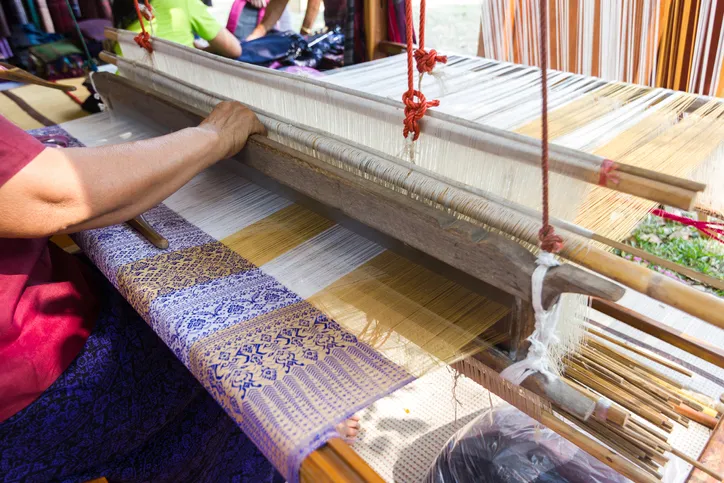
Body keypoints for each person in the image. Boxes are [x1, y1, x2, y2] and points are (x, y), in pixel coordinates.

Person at [0, 102, 359, 481]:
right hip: (31, 401)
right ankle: (290, 434)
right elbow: (56, 194)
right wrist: (214, 136)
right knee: (223, 342)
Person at [112, 0, 242, 58]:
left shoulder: (120, 7)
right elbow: (233, 50)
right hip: (178, 92)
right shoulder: (183, 2)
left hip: (127, 92)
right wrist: (201, 50)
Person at [245, 0, 346, 41]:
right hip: (336, 30)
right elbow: (279, 3)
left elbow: (314, 2)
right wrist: (258, 32)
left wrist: (304, 33)